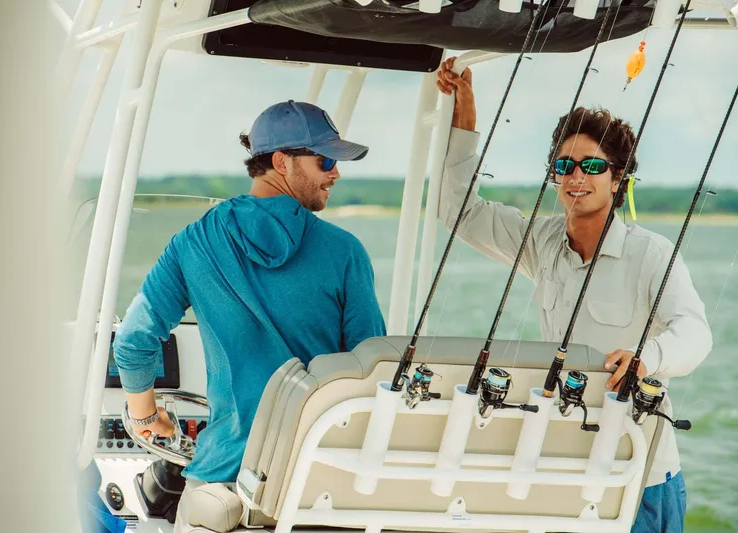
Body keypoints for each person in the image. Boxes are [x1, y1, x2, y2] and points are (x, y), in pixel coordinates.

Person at [436, 57, 711, 532]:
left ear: (618, 176)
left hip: (639, 474)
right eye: (565, 165)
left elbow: (695, 332)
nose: (575, 176)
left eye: (592, 165)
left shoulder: (651, 253)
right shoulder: (541, 243)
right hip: (562, 467)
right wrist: (466, 118)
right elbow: (459, 212)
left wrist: (647, 357)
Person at [112, 100, 387, 530]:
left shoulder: (193, 242)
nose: (336, 172)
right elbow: (371, 368)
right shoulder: (345, 252)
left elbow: (132, 341)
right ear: (281, 161)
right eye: (326, 160)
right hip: (320, 482)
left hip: (226, 477)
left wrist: (146, 416)